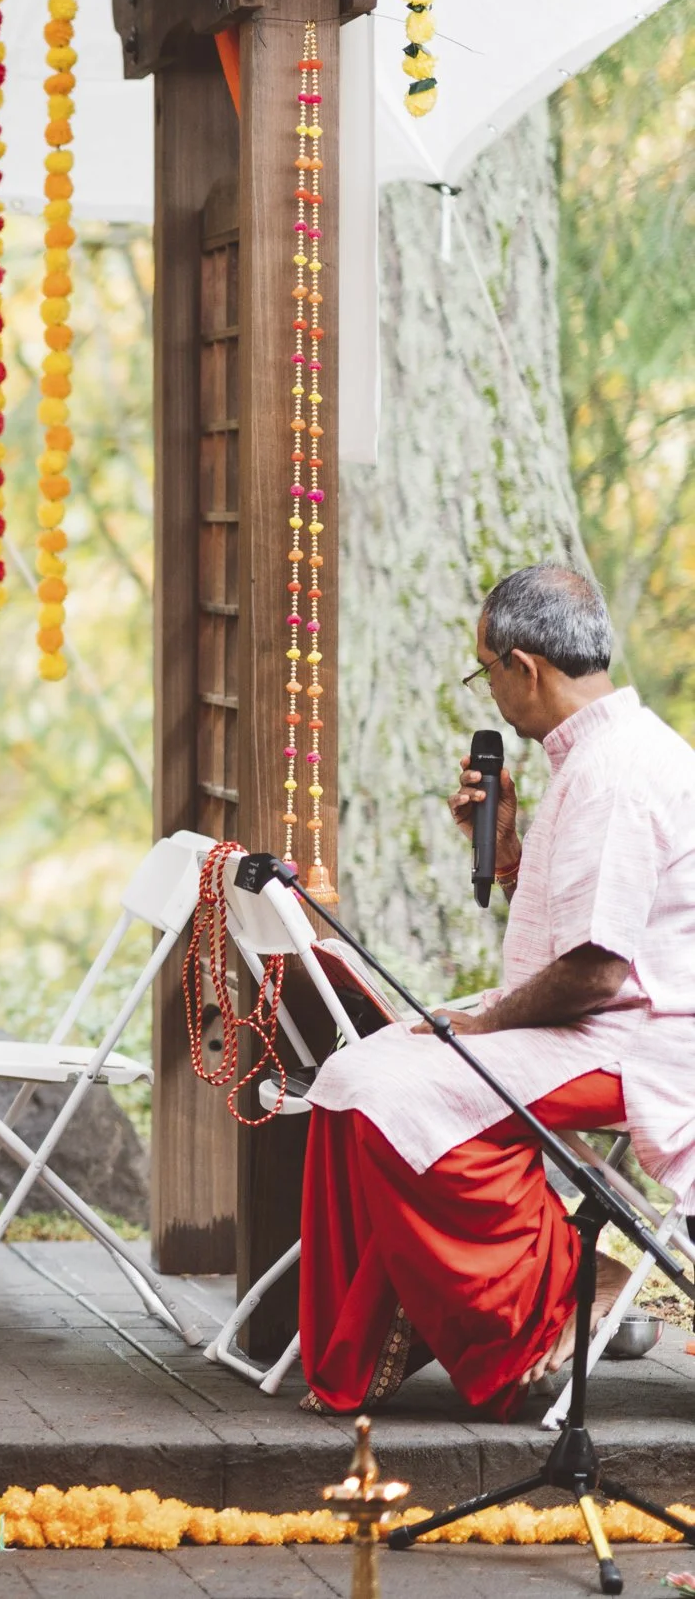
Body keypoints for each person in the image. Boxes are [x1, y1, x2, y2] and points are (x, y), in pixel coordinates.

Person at [299, 564, 695, 1419]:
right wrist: (509, 851)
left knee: (392, 1094)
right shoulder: (596, 755)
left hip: (641, 1039)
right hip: (602, 1021)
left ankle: (567, 1292)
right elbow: (576, 934)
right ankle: (366, 1349)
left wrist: (480, 1025)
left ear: (524, 665)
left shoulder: (616, 772)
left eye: (485, 671)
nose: (490, 691)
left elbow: (596, 973)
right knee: (360, 1073)